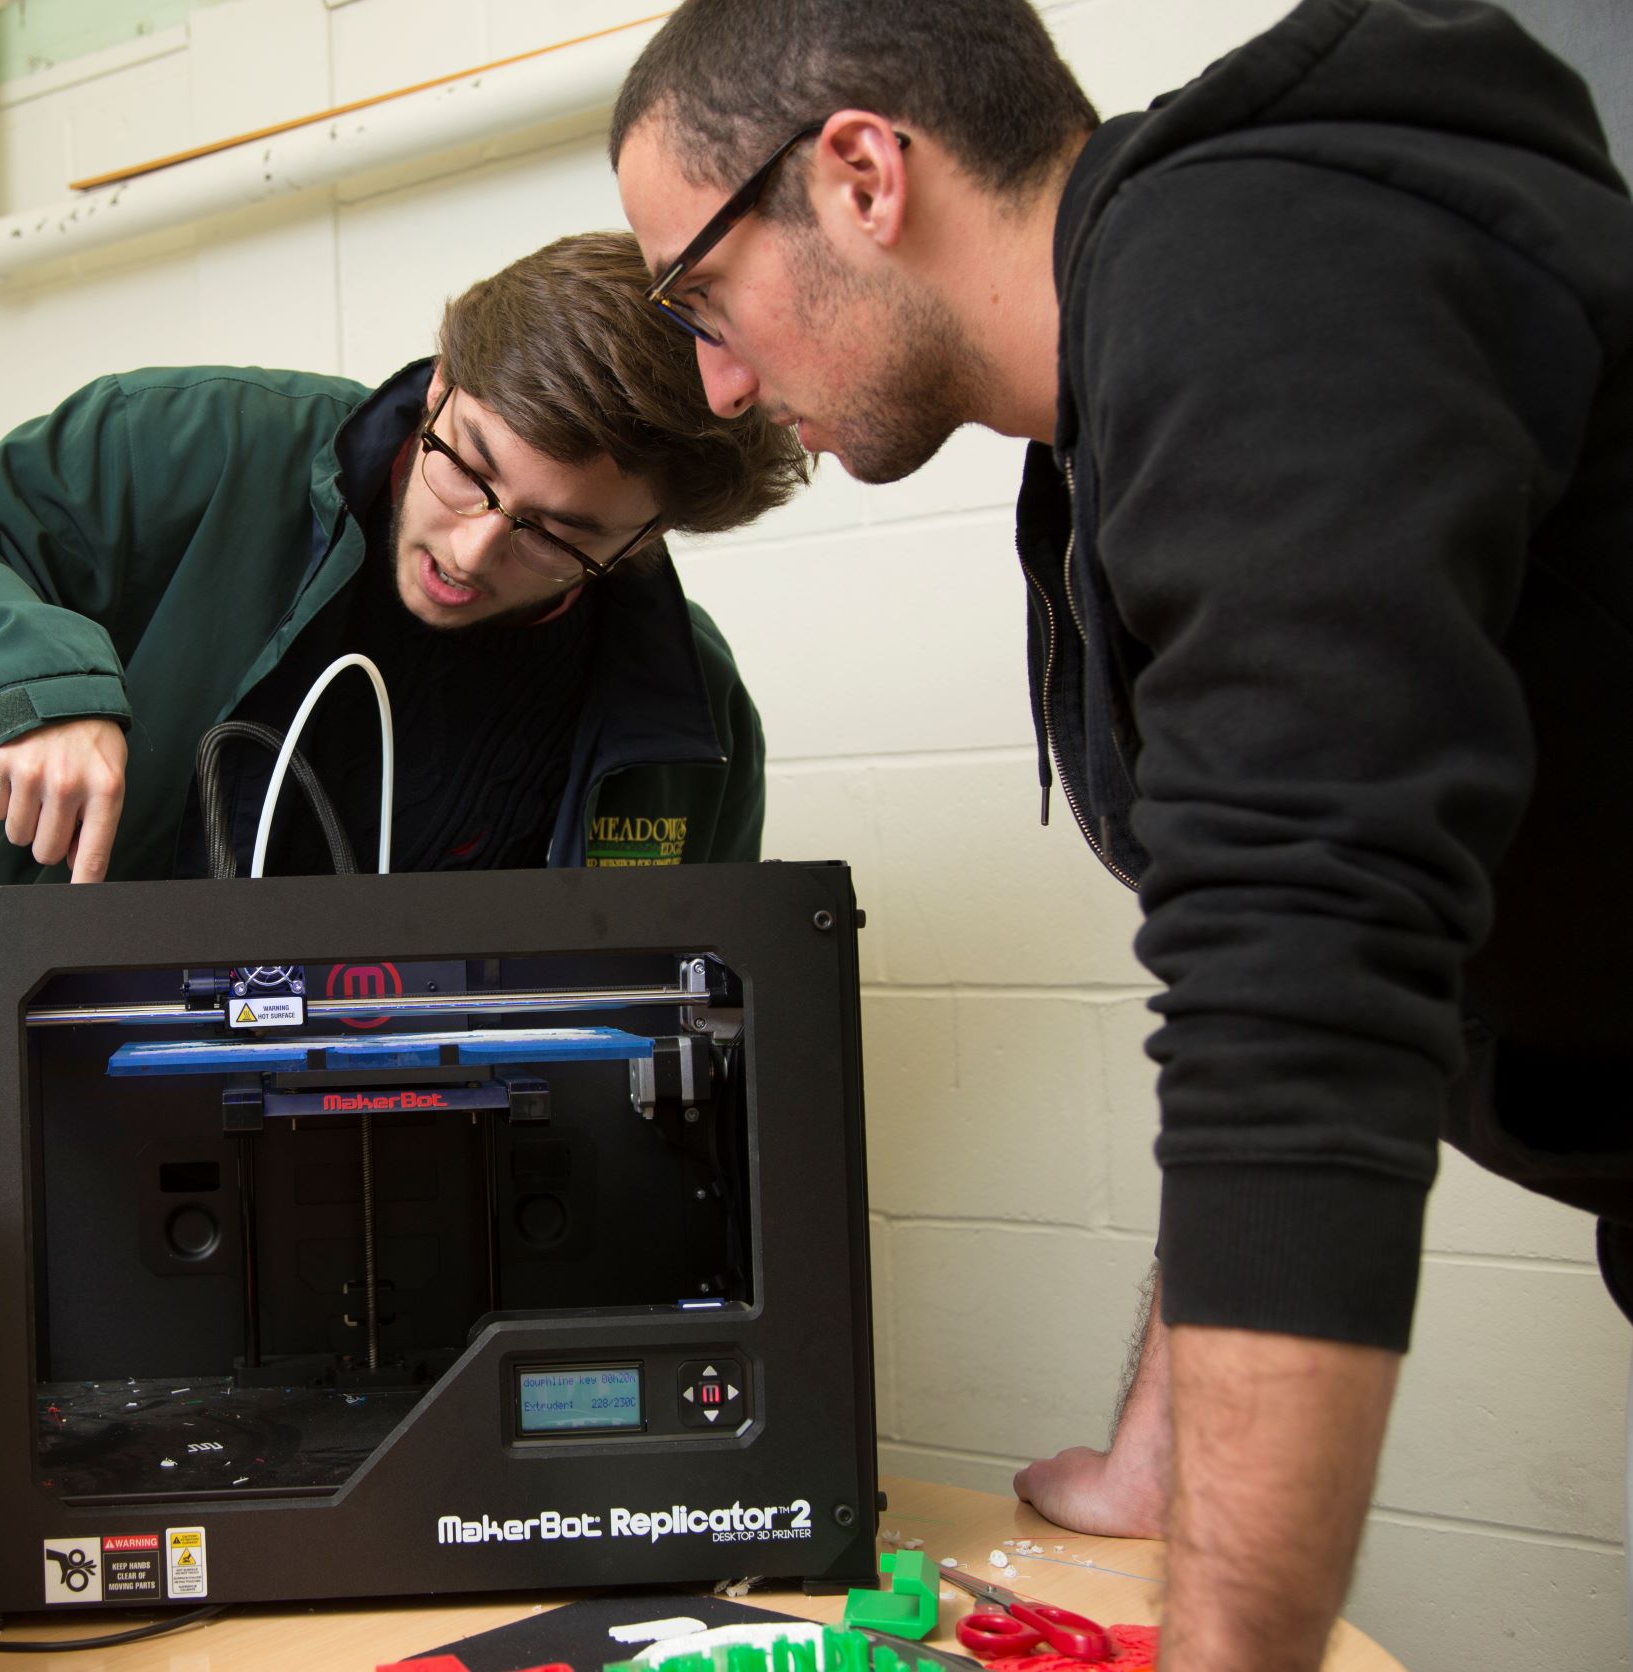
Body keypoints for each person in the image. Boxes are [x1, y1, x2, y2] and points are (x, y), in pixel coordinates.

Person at [607, 1, 1632, 1667]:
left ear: (860, 174)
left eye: (702, 296)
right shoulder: (1107, 422)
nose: (715, 380)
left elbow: (1305, 991)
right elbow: (1241, 972)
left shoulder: (1256, 280)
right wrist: (1151, 1459)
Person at [0, 232, 802, 885]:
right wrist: (28, 678)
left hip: (442, 1189)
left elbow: (690, 1025)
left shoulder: (687, 717)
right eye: (466, 467)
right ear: (439, 385)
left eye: (556, 532)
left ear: (640, 541)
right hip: (93, 1119)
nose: (475, 548)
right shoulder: (197, 449)